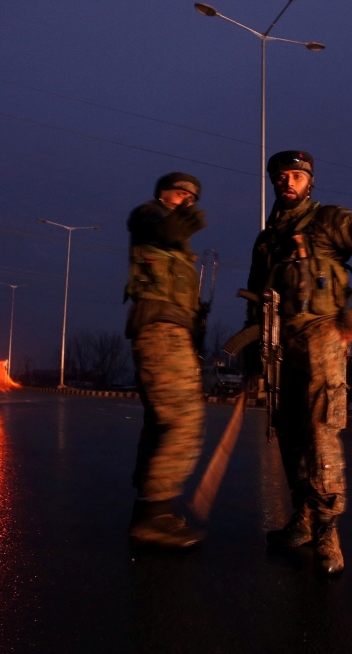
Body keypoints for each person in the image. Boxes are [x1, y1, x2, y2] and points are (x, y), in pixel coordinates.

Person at [246, 150, 352, 575]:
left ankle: (328, 531)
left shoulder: (330, 220)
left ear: (309, 181)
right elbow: (255, 300)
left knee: (320, 431)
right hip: (279, 344)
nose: (287, 182)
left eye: (296, 175)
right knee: (289, 431)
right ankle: (304, 516)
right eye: (280, 176)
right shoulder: (266, 240)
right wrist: (252, 360)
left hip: (322, 337)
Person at [125, 172, 208, 549]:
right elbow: (152, 226)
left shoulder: (179, 247)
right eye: (180, 194)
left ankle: (149, 507)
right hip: (158, 329)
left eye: (193, 197)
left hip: (170, 330)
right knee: (183, 420)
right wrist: (169, 219)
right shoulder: (149, 216)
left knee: (161, 422)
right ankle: (154, 517)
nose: (187, 201)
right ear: (162, 194)